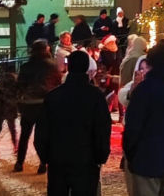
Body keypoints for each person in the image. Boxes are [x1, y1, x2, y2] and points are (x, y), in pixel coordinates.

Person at [34, 49, 111, 196]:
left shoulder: (53, 96)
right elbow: (102, 129)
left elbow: (42, 131)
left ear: (69, 67)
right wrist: (101, 156)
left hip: (58, 159)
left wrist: (45, 157)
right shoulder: (95, 96)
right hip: (86, 160)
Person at [123, 41, 164, 196]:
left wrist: (130, 152)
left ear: (149, 63)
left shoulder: (145, 89)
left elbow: (134, 125)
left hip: (146, 158)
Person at [14, 39, 62, 173]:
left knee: (24, 135)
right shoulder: (51, 65)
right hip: (44, 105)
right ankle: (43, 163)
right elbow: (57, 83)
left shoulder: (25, 66)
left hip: (28, 104)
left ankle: (19, 163)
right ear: (46, 49)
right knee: (44, 136)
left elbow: (19, 86)